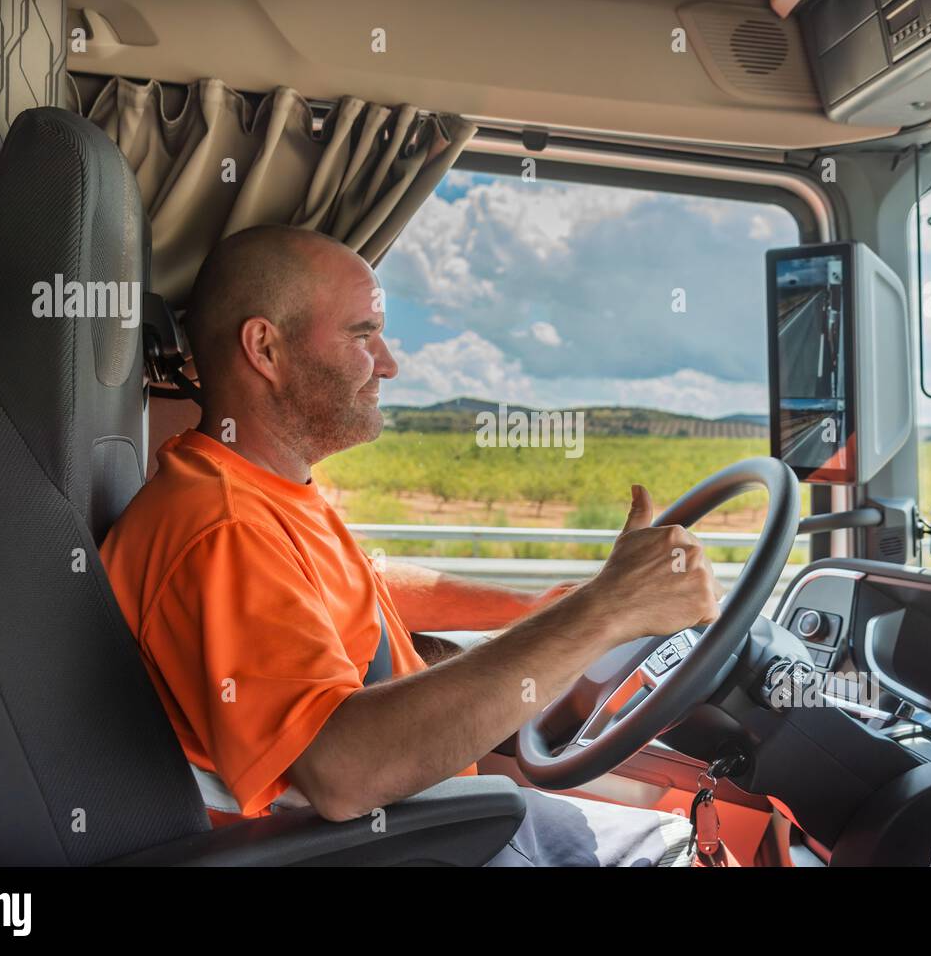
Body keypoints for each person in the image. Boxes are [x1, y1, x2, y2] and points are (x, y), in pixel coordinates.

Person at [100, 225, 723, 866]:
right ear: (265, 348)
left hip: (426, 826)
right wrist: (605, 613)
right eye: (363, 335)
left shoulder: (255, 488)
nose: (390, 363)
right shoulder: (222, 530)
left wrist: (534, 608)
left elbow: (356, 584)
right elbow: (342, 773)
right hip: (367, 847)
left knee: (675, 841)